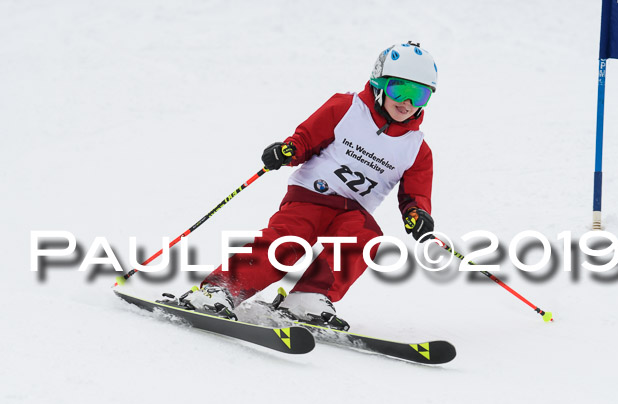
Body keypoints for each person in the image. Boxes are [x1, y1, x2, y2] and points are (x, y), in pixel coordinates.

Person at [186, 41, 438, 329]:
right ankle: (221, 289)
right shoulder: (346, 108)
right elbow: (306, 138)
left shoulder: (416, 149)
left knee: (364, 238)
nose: (407, 103)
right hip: (311, 196)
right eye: (399, 89)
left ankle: (308, 296)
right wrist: (288, 151)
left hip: (353, 211)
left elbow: (415, 194)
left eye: (419, 95)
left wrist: (417, 214)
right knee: (288, 240)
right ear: (379, 83)